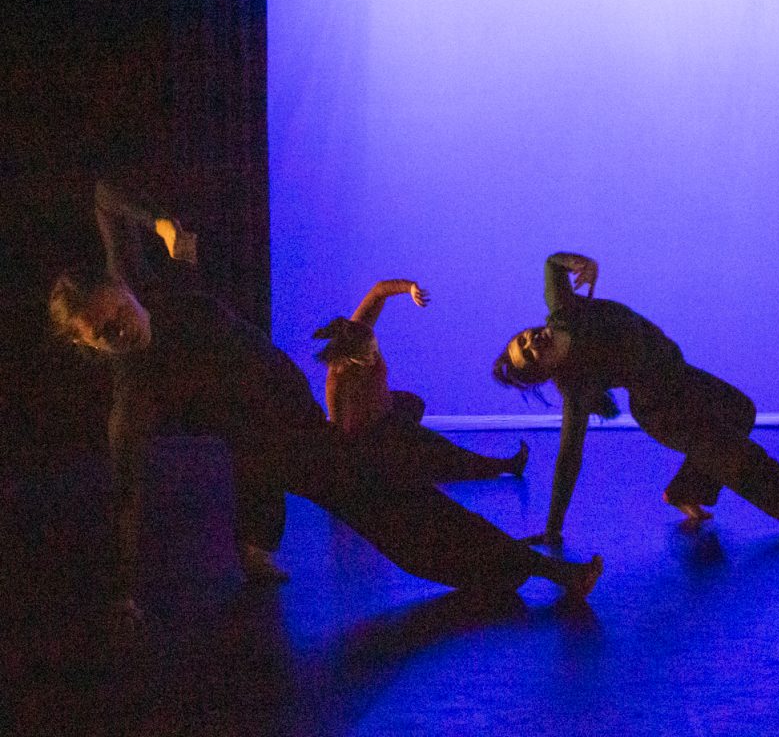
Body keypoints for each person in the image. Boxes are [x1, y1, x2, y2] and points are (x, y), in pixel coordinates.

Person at [49, 182, 602, 626]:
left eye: (117, 313)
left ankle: (255, 545)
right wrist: (123, 594)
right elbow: (127, 493)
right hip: (297, 448)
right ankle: (540, 569)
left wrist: (160, 223)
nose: (120, 330)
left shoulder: (149, 284)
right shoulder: (135, 395)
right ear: (87, 344)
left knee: (369, 493)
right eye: (103, 333)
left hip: (282, 422)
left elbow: (102, 196)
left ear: (124, 291)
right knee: (401, 516)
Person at [493, 251, 779, 546]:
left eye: (522, 339)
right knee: (749, 467)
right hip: (665, 411)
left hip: (683, 377)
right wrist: (554, 526)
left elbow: (552, 264)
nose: (530, 342)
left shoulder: (561, 311)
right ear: (543, 373)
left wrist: (581, 262)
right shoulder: (577, 387)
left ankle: (685, 490)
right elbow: (568, 458)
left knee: (741, 409)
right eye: (528, 355)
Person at [315, 278, 528, 482]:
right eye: (369, 354)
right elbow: (337, 433)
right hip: (371, 434)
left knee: (413, 404)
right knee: (438, 448)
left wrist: (410, 288)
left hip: (385, 411)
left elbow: (379, 290)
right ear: (353, 359)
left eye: (375, 348)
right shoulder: (338, 380)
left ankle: (408, 459)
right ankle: (504, 466)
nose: (375, 355)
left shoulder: (357, 329)